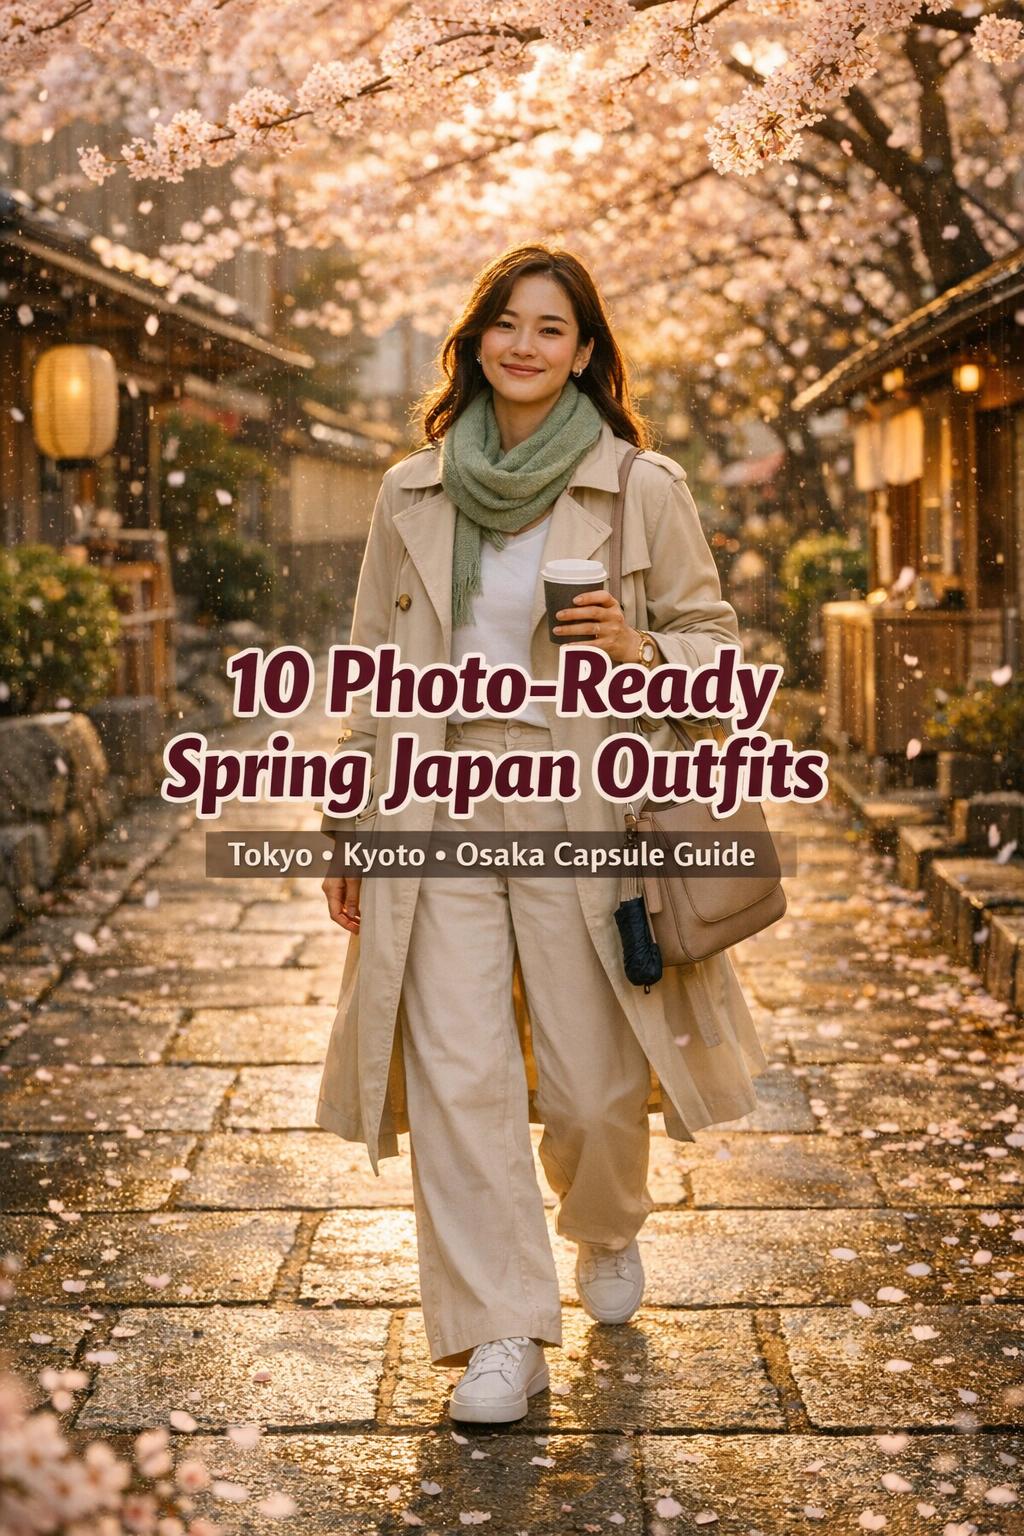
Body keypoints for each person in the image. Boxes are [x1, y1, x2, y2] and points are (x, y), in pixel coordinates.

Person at [319, 244, 768, 1425]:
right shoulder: (409, 490)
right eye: (505, 324)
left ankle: (607, 1223)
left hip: (589, 803)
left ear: (584, 352)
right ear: (474, 341)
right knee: (457, 1071)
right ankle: (501, 1334)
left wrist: (642, 652)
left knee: (590, 1086)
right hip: (436, 797)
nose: (524, 345)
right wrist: (348, 817)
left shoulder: (639, 485)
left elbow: (719, 656)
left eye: (551, 329)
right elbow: (371, 665)